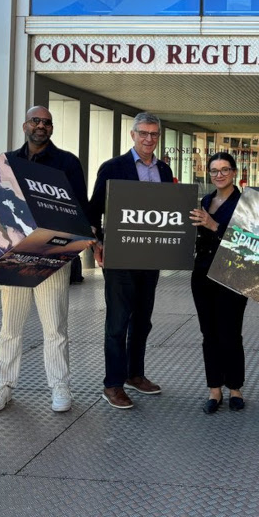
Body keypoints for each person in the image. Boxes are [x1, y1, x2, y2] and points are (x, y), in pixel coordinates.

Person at [0, 106, 90, 414]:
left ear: (51, 128)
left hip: (51, 253)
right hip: (15, 254)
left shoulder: (67, 163)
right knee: (9, 327)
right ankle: (3, 385)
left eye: (46, 122)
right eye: (35, 121)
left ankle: (59, 385)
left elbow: (79, 208)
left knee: (55, 327)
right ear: (25, 125)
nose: (41, 126)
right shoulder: (7, 162)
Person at [90, 112, 174, 410]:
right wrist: (97, 243)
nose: (149, 139)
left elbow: (169, 212)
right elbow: (94, 210)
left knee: (142, 320)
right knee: (118, 322)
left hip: (151, 257)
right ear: (133, 135)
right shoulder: (113, 167)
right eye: (144, 133)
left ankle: (134, 374)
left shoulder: (164, 170)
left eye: (154, 134)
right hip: (120, 257)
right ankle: (113, 384)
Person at [189, 152, 248, 414]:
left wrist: (215, 226)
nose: (219, 175)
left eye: (224, 170)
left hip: (233, 275)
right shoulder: (205, 200)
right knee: (209, 333)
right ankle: (214, 389)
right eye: (214, 170)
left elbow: (248, 242)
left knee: (230, 333)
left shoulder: (245, 204)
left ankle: (235, 388)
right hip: (202, 274)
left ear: (234, 172)